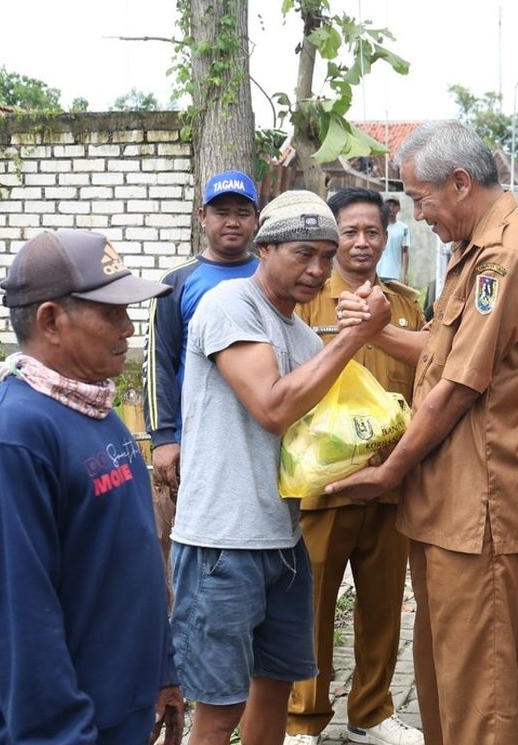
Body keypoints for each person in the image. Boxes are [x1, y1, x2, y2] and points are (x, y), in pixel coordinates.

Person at [326, 121, 518, 745]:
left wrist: (390, 470)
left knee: (477, 693)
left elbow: (457, 386)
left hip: (478, 507)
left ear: (459, 183)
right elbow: (441, 349)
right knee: (441, 678)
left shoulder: (503, 256)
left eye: (420, 198)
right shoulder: (472, 249)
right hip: (445, 504)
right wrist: (376, 330)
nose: (416, 213)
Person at [168, 190, 391, 745]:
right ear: (265, 248)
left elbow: (308, 437)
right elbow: (272, 407)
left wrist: (373, 441)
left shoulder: (298, 333)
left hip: (282, 539)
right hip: (222, 541)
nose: (318, 269)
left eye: (325, 254)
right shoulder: (229, 305)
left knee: (273, 690)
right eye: (303, 254)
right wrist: (355, 339)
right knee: (220, 709)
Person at [0, 229, 183, 744]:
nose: (127, 328)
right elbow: (21, 621)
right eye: (111, 313)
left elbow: (135, 559)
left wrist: (161, 671)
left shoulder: (98, 412)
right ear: (51, 320)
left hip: (118, 711)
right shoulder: (14, 441)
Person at [286, 188, 425, 745]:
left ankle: (370, 713)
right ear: (332, 237)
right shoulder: (307, 302)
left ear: (386, 237)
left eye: (373, 231)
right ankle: (302, 718)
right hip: (323, 484)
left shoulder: (406, 304)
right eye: (350, 232)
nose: (362, 242)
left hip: (391, 484)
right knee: (312, 606)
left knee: (382, 608)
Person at [143, 169, 261, 596]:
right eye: (221, 212)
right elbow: (158, 361)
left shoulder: (269, 278)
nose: (232, 221)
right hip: (197, 435)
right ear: (202, 217)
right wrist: (163, 438)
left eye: (242, 212)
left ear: (256, 220)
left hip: (261, 428)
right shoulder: (176, 283)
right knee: (195, 534)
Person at [376, 197, 410, 284]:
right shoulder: (378, 226)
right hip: (376, 272)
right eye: (389, 205)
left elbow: (405, 252)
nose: (391, 208)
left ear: (399, 209)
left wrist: (405, 275)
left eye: (394, 205)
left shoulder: (403, 228)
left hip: (393, 274)